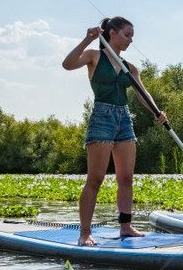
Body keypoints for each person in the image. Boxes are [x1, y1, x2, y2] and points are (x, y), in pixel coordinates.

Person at [62, 16, 167, 245]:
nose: (130, 40)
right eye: (127, 35)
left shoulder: (130, 67)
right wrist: (86, 39)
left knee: (126, 178)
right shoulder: (94, 56)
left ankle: (126, 227)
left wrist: (157, 111)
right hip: (102, 117)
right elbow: (67, 64)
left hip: (124, 119)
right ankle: (85, 233)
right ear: (112, 33)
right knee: (96, 179)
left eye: (132, 36)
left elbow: (142, 92)